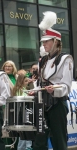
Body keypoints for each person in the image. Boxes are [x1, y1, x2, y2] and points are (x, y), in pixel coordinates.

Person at [30, 11, 73, 150]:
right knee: (39, 141)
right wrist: (35, 91)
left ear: (55, 41)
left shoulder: (65, 59)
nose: (44, 44)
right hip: (43, 104)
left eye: (46, 41)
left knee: (58, 140)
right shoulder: (43, 60)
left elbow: (66, 86)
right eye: (43, 41)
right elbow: (41, 82)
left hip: (57, 104)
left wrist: (54, 89)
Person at [12, 74, 33, 150]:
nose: (27, 82)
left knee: (25, 131)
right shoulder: (18, 89)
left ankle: (25, 147)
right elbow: (21, 99)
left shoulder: (24, 89)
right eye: (25, 81)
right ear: (21, 81)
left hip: (25, 112)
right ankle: (27, 146)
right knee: (25, 130)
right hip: (21, 112)